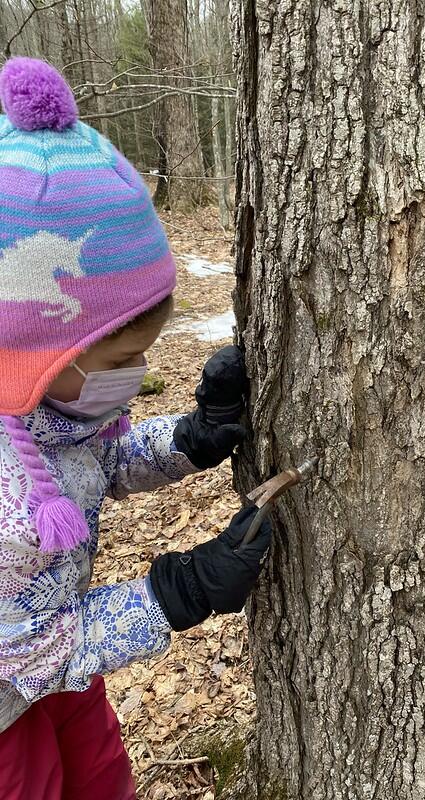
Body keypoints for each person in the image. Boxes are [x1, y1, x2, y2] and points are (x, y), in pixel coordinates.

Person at [0, 57, 271, 800]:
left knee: (98, 777)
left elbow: (97, 461)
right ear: (33, 346)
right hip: (9, 700)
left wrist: (189, 440)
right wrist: (175, 593)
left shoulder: (47, 407)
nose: (137, 371)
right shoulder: (3, 502)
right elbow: (26, 648)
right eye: (123, 357)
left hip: (60, 671)